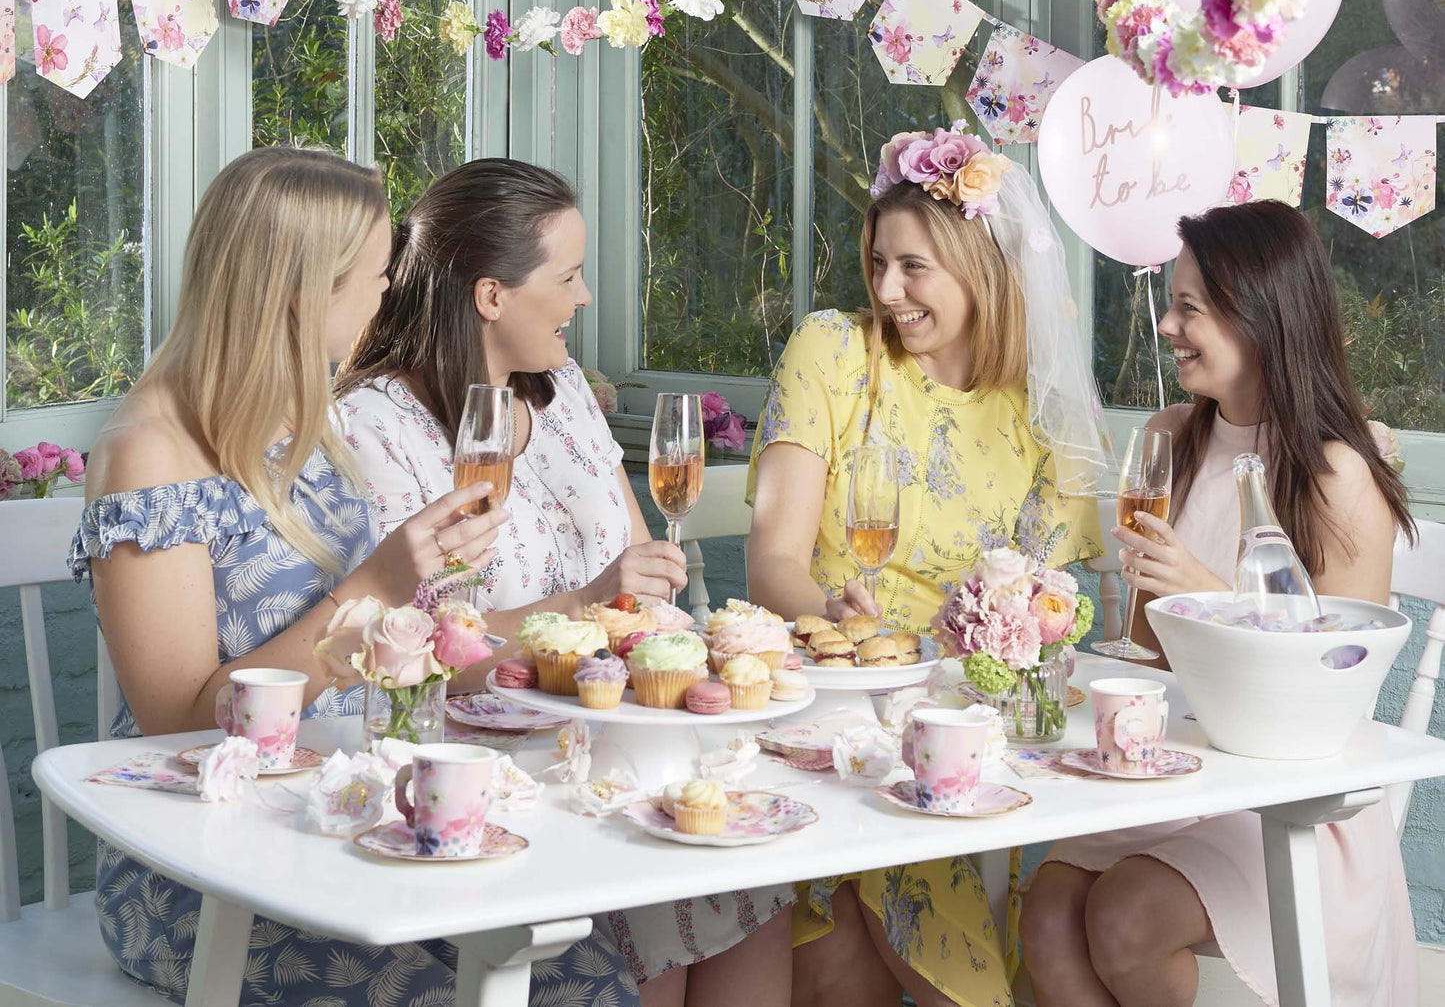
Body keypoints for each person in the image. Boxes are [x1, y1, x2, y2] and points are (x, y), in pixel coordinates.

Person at [70, 146, 639, 1007]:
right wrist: (376, 584)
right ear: (303, 290)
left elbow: (391, 647)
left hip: (339, 820)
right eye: (375, 276)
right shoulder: (151, 451)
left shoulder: (303, 418)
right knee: (560, 990)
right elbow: (176, 727)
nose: (390, 295)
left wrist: (481, 605)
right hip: (212, 869)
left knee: (587, 969)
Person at [337, 157, 794, 1007]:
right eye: (570, 275)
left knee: (752, 885)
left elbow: (631, 575)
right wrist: (585, 603)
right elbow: (424, 649)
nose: (585, 298)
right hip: (489, 767)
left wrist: (646, 598)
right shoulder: (375, 428)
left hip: (610, 734)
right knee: (655, 902)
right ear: (491, 296)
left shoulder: (566, 393)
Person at [747, 125, 1111, 1007]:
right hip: (827, 696)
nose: (887, 291)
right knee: (841, 953)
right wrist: (859, 638)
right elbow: (772, 568)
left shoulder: (1037, 404)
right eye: (878, 263)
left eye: (913, 268)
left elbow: (1045, 605)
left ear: (980, 267)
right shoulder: (833, 351)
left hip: (964, 723)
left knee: (858, 941)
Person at [1022, 199, 1418, 1007]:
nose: (1167, 325)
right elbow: (1152, 656)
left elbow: (1337, 691)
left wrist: (1206, 593)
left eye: (1188, 307)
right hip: (1179, 766)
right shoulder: (1173, 438)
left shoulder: (1337, 474)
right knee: (1045, 914)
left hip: (1290, 798)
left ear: (1261, 316)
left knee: (1127, 916)